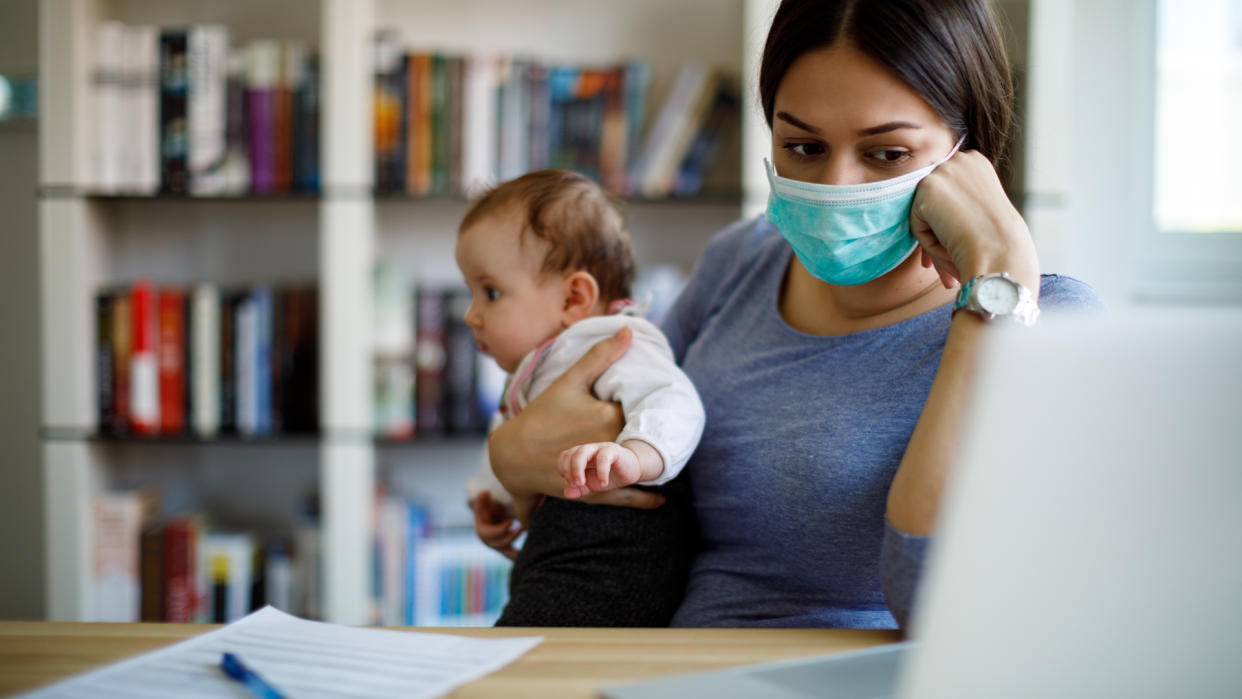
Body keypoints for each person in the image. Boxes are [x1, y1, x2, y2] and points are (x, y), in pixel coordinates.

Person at [478, 0, 1106, 630]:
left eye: (887, 154)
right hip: (668, 668)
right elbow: (600, 468)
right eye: (803, 146)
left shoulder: (1051, 323)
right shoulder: (741, 261)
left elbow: (939, 609)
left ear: (970, 153)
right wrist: (510, 459)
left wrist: (994, 281)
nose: (835, 184)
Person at [456, 169, 705, 626]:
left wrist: (638, 456)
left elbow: (675, 400)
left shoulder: (613, 342)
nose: (472, 315)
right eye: (471, 293)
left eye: (490, 293)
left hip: (616, 558)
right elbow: (515, 436)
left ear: (575, 298)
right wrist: (490, 496)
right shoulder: (539, 365)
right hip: (558, 555)